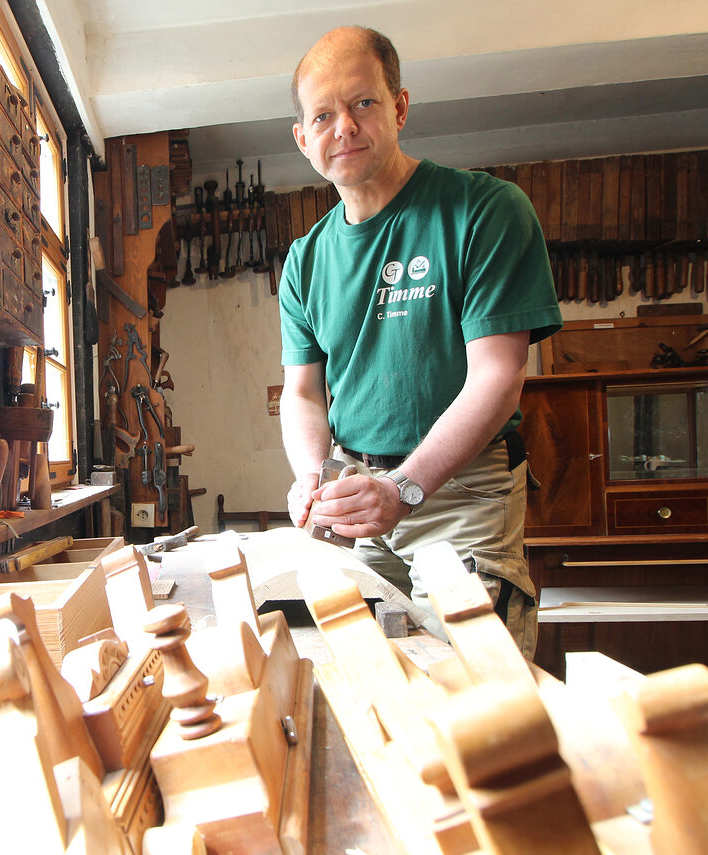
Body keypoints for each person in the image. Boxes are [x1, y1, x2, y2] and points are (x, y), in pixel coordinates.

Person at [278, 26, 563, 656]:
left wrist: (404, 489)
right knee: (369, 682)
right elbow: (301, 392)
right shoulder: (304, 260)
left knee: (480, 695)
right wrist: (313, 477)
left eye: (363, 103)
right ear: (302, 139)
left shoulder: (484, 210)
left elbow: (499, 373)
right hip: (354, 496)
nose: (343, 127)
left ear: (400, 107)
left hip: (458, 494)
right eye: (322, 115)